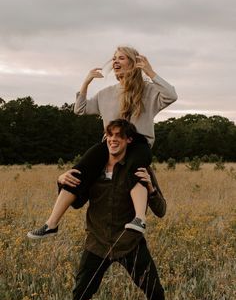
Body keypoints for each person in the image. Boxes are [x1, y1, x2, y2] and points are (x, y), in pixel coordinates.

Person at [27, 46, 177, 239]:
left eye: (121, 58)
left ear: (133, 63)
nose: (115, 61)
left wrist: (150, 71)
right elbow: (80, 109)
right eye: (114, 58)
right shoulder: (106, 93)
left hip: (138, 143)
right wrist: (86, 81)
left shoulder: (148, 91)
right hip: (110, 144)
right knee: (78, 171)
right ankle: (51, 223)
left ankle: (139, 218)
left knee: (137, 168)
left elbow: (171, 95)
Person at [60, 119, 166, 300]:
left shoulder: (140, 169)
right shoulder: (94, 168)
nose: (113, 139)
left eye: (119, 135)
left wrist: (151, 188)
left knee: (155, 293)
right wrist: (60, 182)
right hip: (97, 244)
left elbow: (161, 210)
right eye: (110, 134)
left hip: (129, 243)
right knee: (80, 297)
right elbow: (77, 202)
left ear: (129, 140)